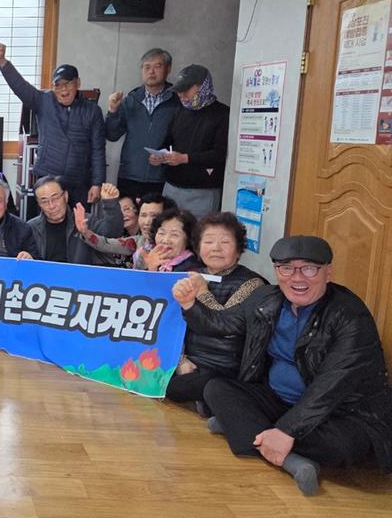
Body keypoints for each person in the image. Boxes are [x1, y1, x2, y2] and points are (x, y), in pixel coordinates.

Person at [173, 236, 392, 495]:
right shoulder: (266, 299)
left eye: (309, 268)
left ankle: (244, 427)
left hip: (340, 412)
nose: (297, 278)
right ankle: (290, 460)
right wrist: (189, 304)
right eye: (286, 268)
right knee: (216, 388)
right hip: (278, 400)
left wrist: (287, 430)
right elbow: (223, 324)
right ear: (277, 271)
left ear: (328, 272)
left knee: (344, 446)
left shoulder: (350, 315)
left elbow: (330, 386)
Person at [166, 212, 268, 411]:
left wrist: (203, 293)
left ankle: (210, 400)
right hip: (188, 361)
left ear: (238, 250)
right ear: (198, 247)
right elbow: (170, 323)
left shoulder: (252, 284)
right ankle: (206, 400)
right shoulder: (187, 276)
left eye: (225, 242)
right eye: (208, 241)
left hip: (224, 367)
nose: (216, 248)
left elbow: (225, 324)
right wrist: (180, 361)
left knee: (194, 385)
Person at [0, 43, 105, 206]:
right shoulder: (43, 101)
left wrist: (97, 183)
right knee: (48, 217)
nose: (63, 90)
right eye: (58, 85)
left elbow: (98, 149)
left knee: (78, 219)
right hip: (48, 178)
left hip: (79, 181)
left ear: (78, 83)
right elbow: (20, 87)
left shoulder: (93, 110)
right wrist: (3, 62)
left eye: (68, 83)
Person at [152, 64, 228, 219]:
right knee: (168, 228)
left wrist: (184, 158)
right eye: (179, 91)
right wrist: (159, 155)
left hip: (203, 190)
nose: (181, 95)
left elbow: (219, 154)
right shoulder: (179, 111)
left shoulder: (222, 114)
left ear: (202, 87)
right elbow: (168, 141)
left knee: (198, 231)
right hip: (172, 186)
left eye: (186, 90)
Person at [105, 48, 181, 198]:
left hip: (162, 177)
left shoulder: (177, 101)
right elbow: (112, 135)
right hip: (129, 175)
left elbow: (183, 139)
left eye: (157, 66)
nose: (151, 72)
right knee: (127, 213)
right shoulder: (131, 100)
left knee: (157, 214)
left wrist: (166, 155)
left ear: (168, 68)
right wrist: (113, 110)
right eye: (147, 67)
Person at [27, 177, 122, 264]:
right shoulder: (31, 228)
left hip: (79, 276)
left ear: (66, 196)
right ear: (39, 204)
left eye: (55, 198)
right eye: (44, 201)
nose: (51, 205)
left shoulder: (85, 220)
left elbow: (112, 233)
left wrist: (111, 204)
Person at [142, 208, 199, 272]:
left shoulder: (192, 268)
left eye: (174, 235)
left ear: (188, 239)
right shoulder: (154, 261)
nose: (165, 240)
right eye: (161, 233)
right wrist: (151, 268)